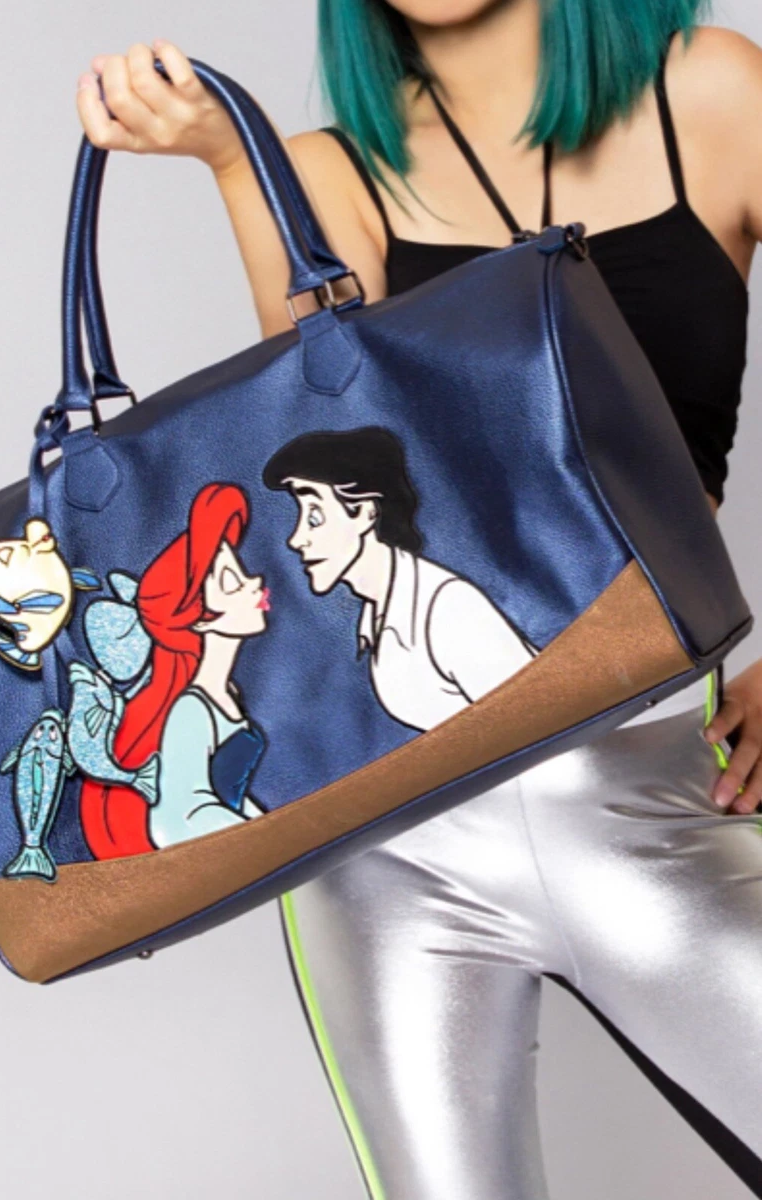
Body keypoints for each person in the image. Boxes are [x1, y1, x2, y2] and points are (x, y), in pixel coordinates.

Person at [75, 5, 762, 1196]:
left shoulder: (709, 91)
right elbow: (333, 446)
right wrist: (236, 162)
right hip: (393, 836)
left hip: (653, 772)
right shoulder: (333, 172)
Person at [262, 426, 536, 729]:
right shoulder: (380, 614)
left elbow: (536, 716)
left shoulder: (447, 608)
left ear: (365, 512)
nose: (296, 539)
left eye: (315, 517)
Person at [79, 482, 270, 860]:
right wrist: (264, 841)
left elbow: (225, 796)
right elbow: (178, 820)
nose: (255, 583)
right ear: (197, 619)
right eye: (231, 581)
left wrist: (272, 830)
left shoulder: (226, 695)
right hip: (227, 856)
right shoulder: (192, 711)